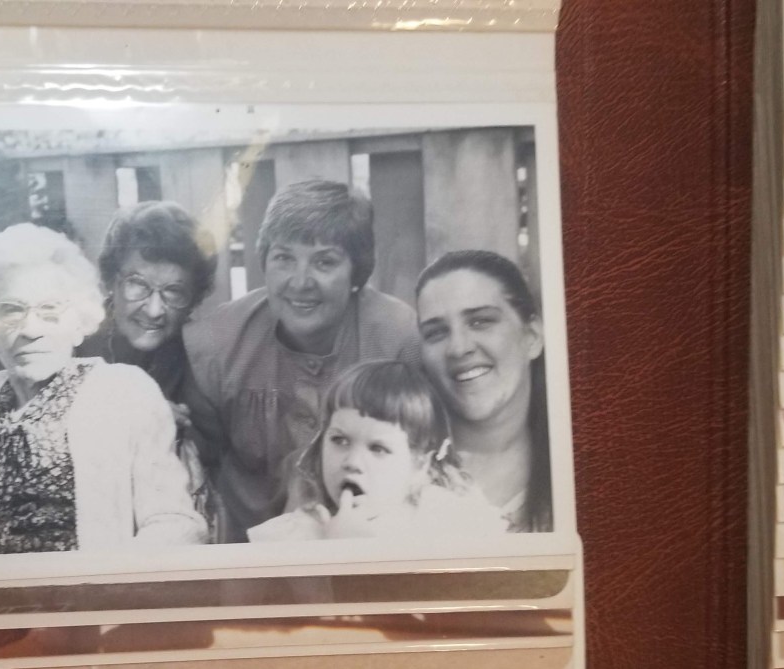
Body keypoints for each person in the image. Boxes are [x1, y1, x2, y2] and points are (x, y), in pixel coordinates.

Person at [0, 223, 205, 557]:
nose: (30, 329)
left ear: (80, 324)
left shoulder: (125, 394)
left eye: (50, 311)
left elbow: (174, 523)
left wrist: (108, 590)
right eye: (11, 310)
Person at [184, 179, 421, 543]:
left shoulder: (395, 337)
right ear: (264, 262)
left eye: (324, 261)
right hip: (246, 548)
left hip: (362, 542)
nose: (300, 281)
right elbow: (200, 457)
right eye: (284, 258)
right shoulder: (218, 342)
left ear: (356, 273)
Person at [75, 201, 221, 537]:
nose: (155, 310)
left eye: (173, 292)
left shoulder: (195, 353)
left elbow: (215, 451)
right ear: (111, 281)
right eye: (138, 285)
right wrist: (141, 416)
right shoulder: (75, 340)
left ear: (193, 300)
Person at [248, 360, 506, 542]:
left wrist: (358, 554)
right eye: (340, 440)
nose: (352, 462)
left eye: (378, 448)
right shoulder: (297, 533)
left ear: (419, 465)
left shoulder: (446, 523)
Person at [416, 250, 552, 532]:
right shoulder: (396, 471)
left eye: (480, 321)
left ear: (532, 337)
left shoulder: (577, 471)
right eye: (436, 332)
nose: (458, 348)